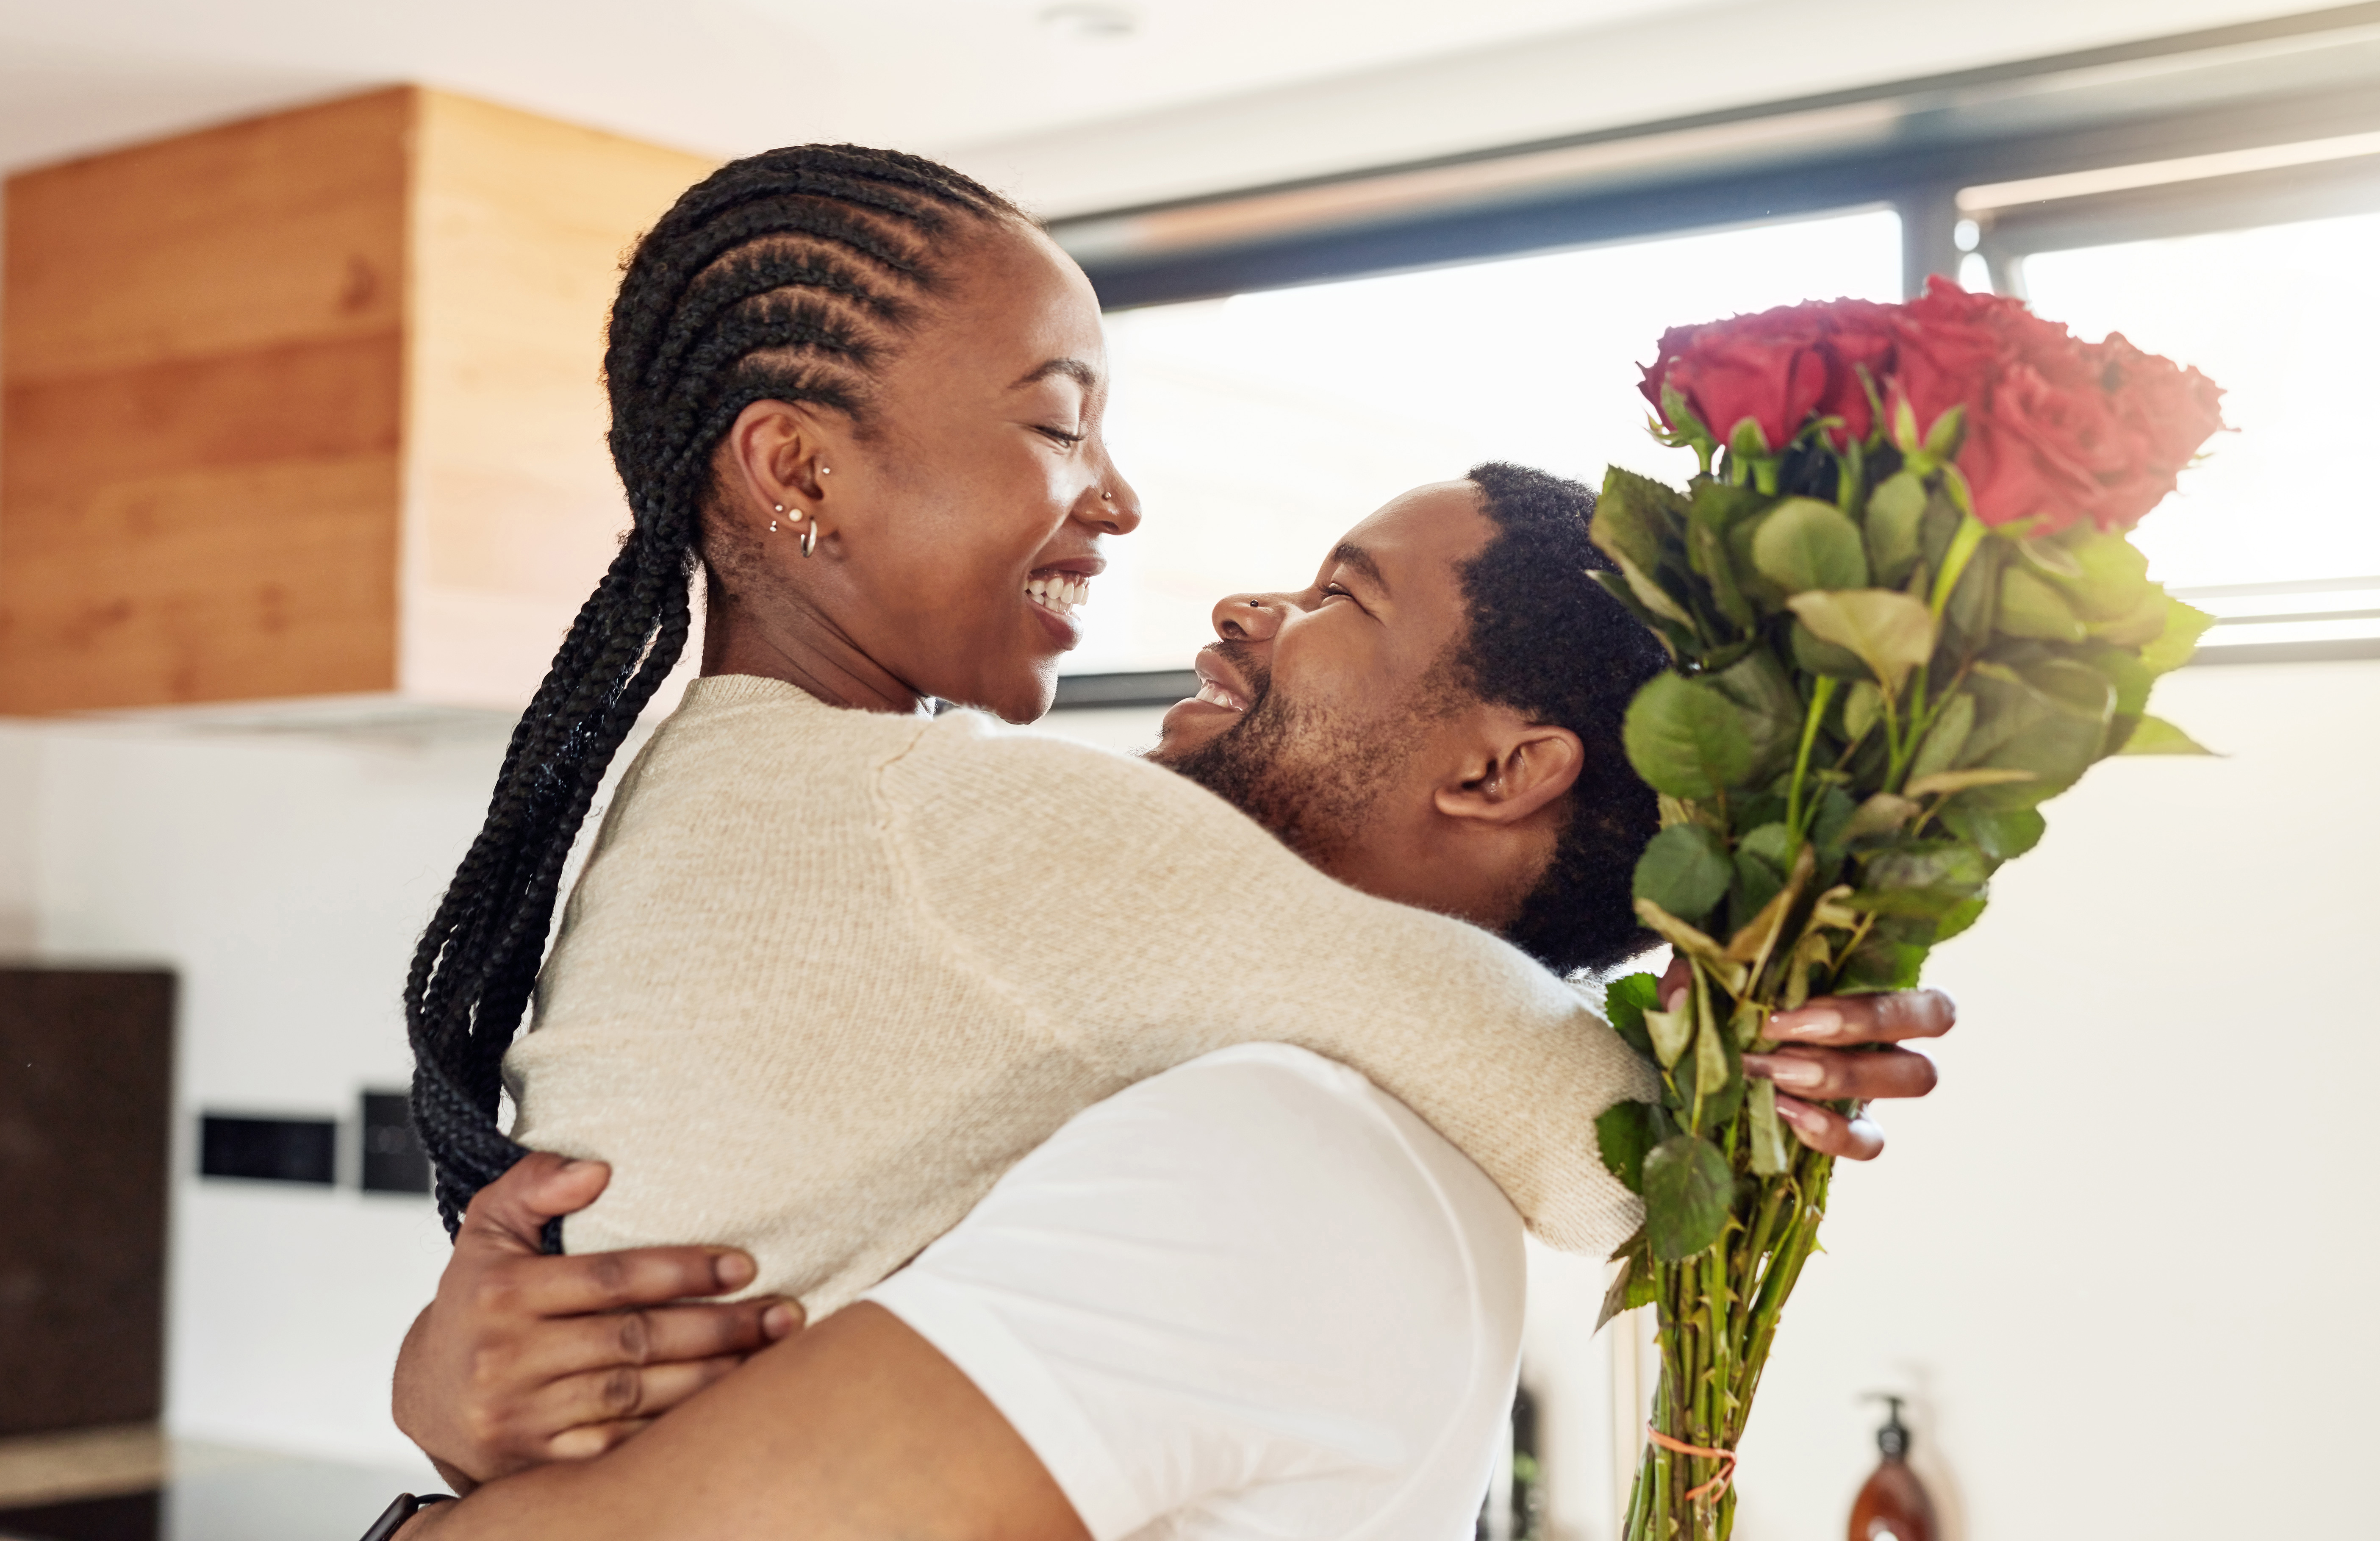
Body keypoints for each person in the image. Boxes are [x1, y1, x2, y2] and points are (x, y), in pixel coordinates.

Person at [386, 469, 1952, 1538]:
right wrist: (482, 1404)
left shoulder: (1281, 1152)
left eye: (1340, 592)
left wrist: (430, 1486)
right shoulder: (1232, 1100)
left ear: (1494, 769)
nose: (1242, 609)